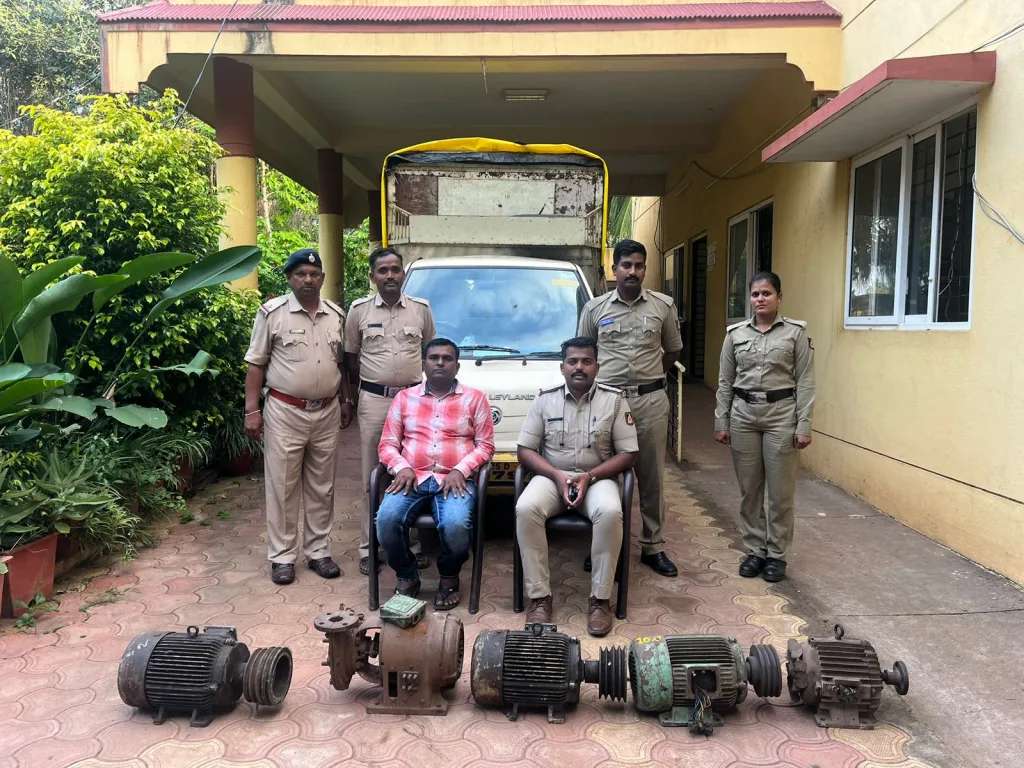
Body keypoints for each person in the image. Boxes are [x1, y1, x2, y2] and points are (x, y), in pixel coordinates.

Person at [243, 248, 353, 585]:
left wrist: (346, 400)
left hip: (326, 411)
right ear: (290, 278)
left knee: (323, 486)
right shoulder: (272, 314)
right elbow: (256, 364)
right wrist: (251, 410)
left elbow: (342, 364)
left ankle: (319, 551)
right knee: (283, 485)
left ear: (322, 278)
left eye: (314, 274)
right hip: (285, 410)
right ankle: (282, 557)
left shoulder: (336, 314)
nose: (308, 280)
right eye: (300, 274)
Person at [515, 336, 638, 636]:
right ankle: (539, 597)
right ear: (562, 367)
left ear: (597, 366)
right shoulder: (545, 400)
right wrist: (557, 476)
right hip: (552, 477)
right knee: (525, 507)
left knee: (610, 510)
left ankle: (600, 600)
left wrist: (590, 476)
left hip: (597, 478)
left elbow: (629, 453)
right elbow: (525, 450)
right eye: (573, 361)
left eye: (586, 361)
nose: (579, 367)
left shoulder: (615, 400)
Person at [578, 239, 684, 577]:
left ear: (644, 268)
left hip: (650, 401)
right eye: (626, 265)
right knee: (599, 474)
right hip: (606, 403)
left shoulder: (663, 307)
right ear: (615, 269)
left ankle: (652, 546)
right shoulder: (595, 310)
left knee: (651, 475)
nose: (632, 272)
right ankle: (601, 543)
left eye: (639, 266)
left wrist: (648, 380)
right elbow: (584, 355)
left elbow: (671, 352)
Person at [376, 338, 495, 610]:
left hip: (455, 481)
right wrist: (400, 467)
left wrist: (461, 470)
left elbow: (486, 446)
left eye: (447, 358)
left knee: (456, 526)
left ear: (457, 365)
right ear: (424, 364)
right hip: (411, 477)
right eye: (434, 358)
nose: (440, 362)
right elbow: (387, 444)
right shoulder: (404, 398)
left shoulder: (475, 399)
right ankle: (407, 575)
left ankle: (449, 575)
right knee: (386, 520)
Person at [714, 271, 815, 583]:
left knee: (780, 493)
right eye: (755, 294)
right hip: (744, 415)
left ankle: (777, 555)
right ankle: (756, 550)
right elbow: (725, 382)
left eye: (767, 293)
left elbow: (806, 381)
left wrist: (804, 425)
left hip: (781, 416)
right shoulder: (735, 335)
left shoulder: (796, 334)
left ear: (779, 297)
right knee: (750, 490)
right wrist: (722, 420)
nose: (760, 299)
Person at [345, 246, 436, 576]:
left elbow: (431, 353)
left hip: (413, 402)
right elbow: (350, 359)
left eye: (395, 269)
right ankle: (369, 548)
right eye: (383, 270)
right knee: (374, 475)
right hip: (374, 401)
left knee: (409, 472)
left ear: (403, 273)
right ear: (373, 276)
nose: (390, 276)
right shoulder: (358, 311)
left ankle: (408, 544)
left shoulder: (421, 310)